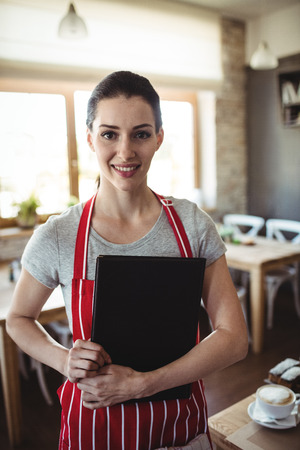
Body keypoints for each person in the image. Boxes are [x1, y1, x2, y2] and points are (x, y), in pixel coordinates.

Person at [6, 71, 248, 450]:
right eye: (109, 134)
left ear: (159, 138)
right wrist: (62, 358)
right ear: (90, 138)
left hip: (179, 428)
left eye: (140, 133)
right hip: (94, 428)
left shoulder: (192, 224)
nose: (125, 151)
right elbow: (18, 319)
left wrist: (142, 384)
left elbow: (234, 339)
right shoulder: (58, 235)